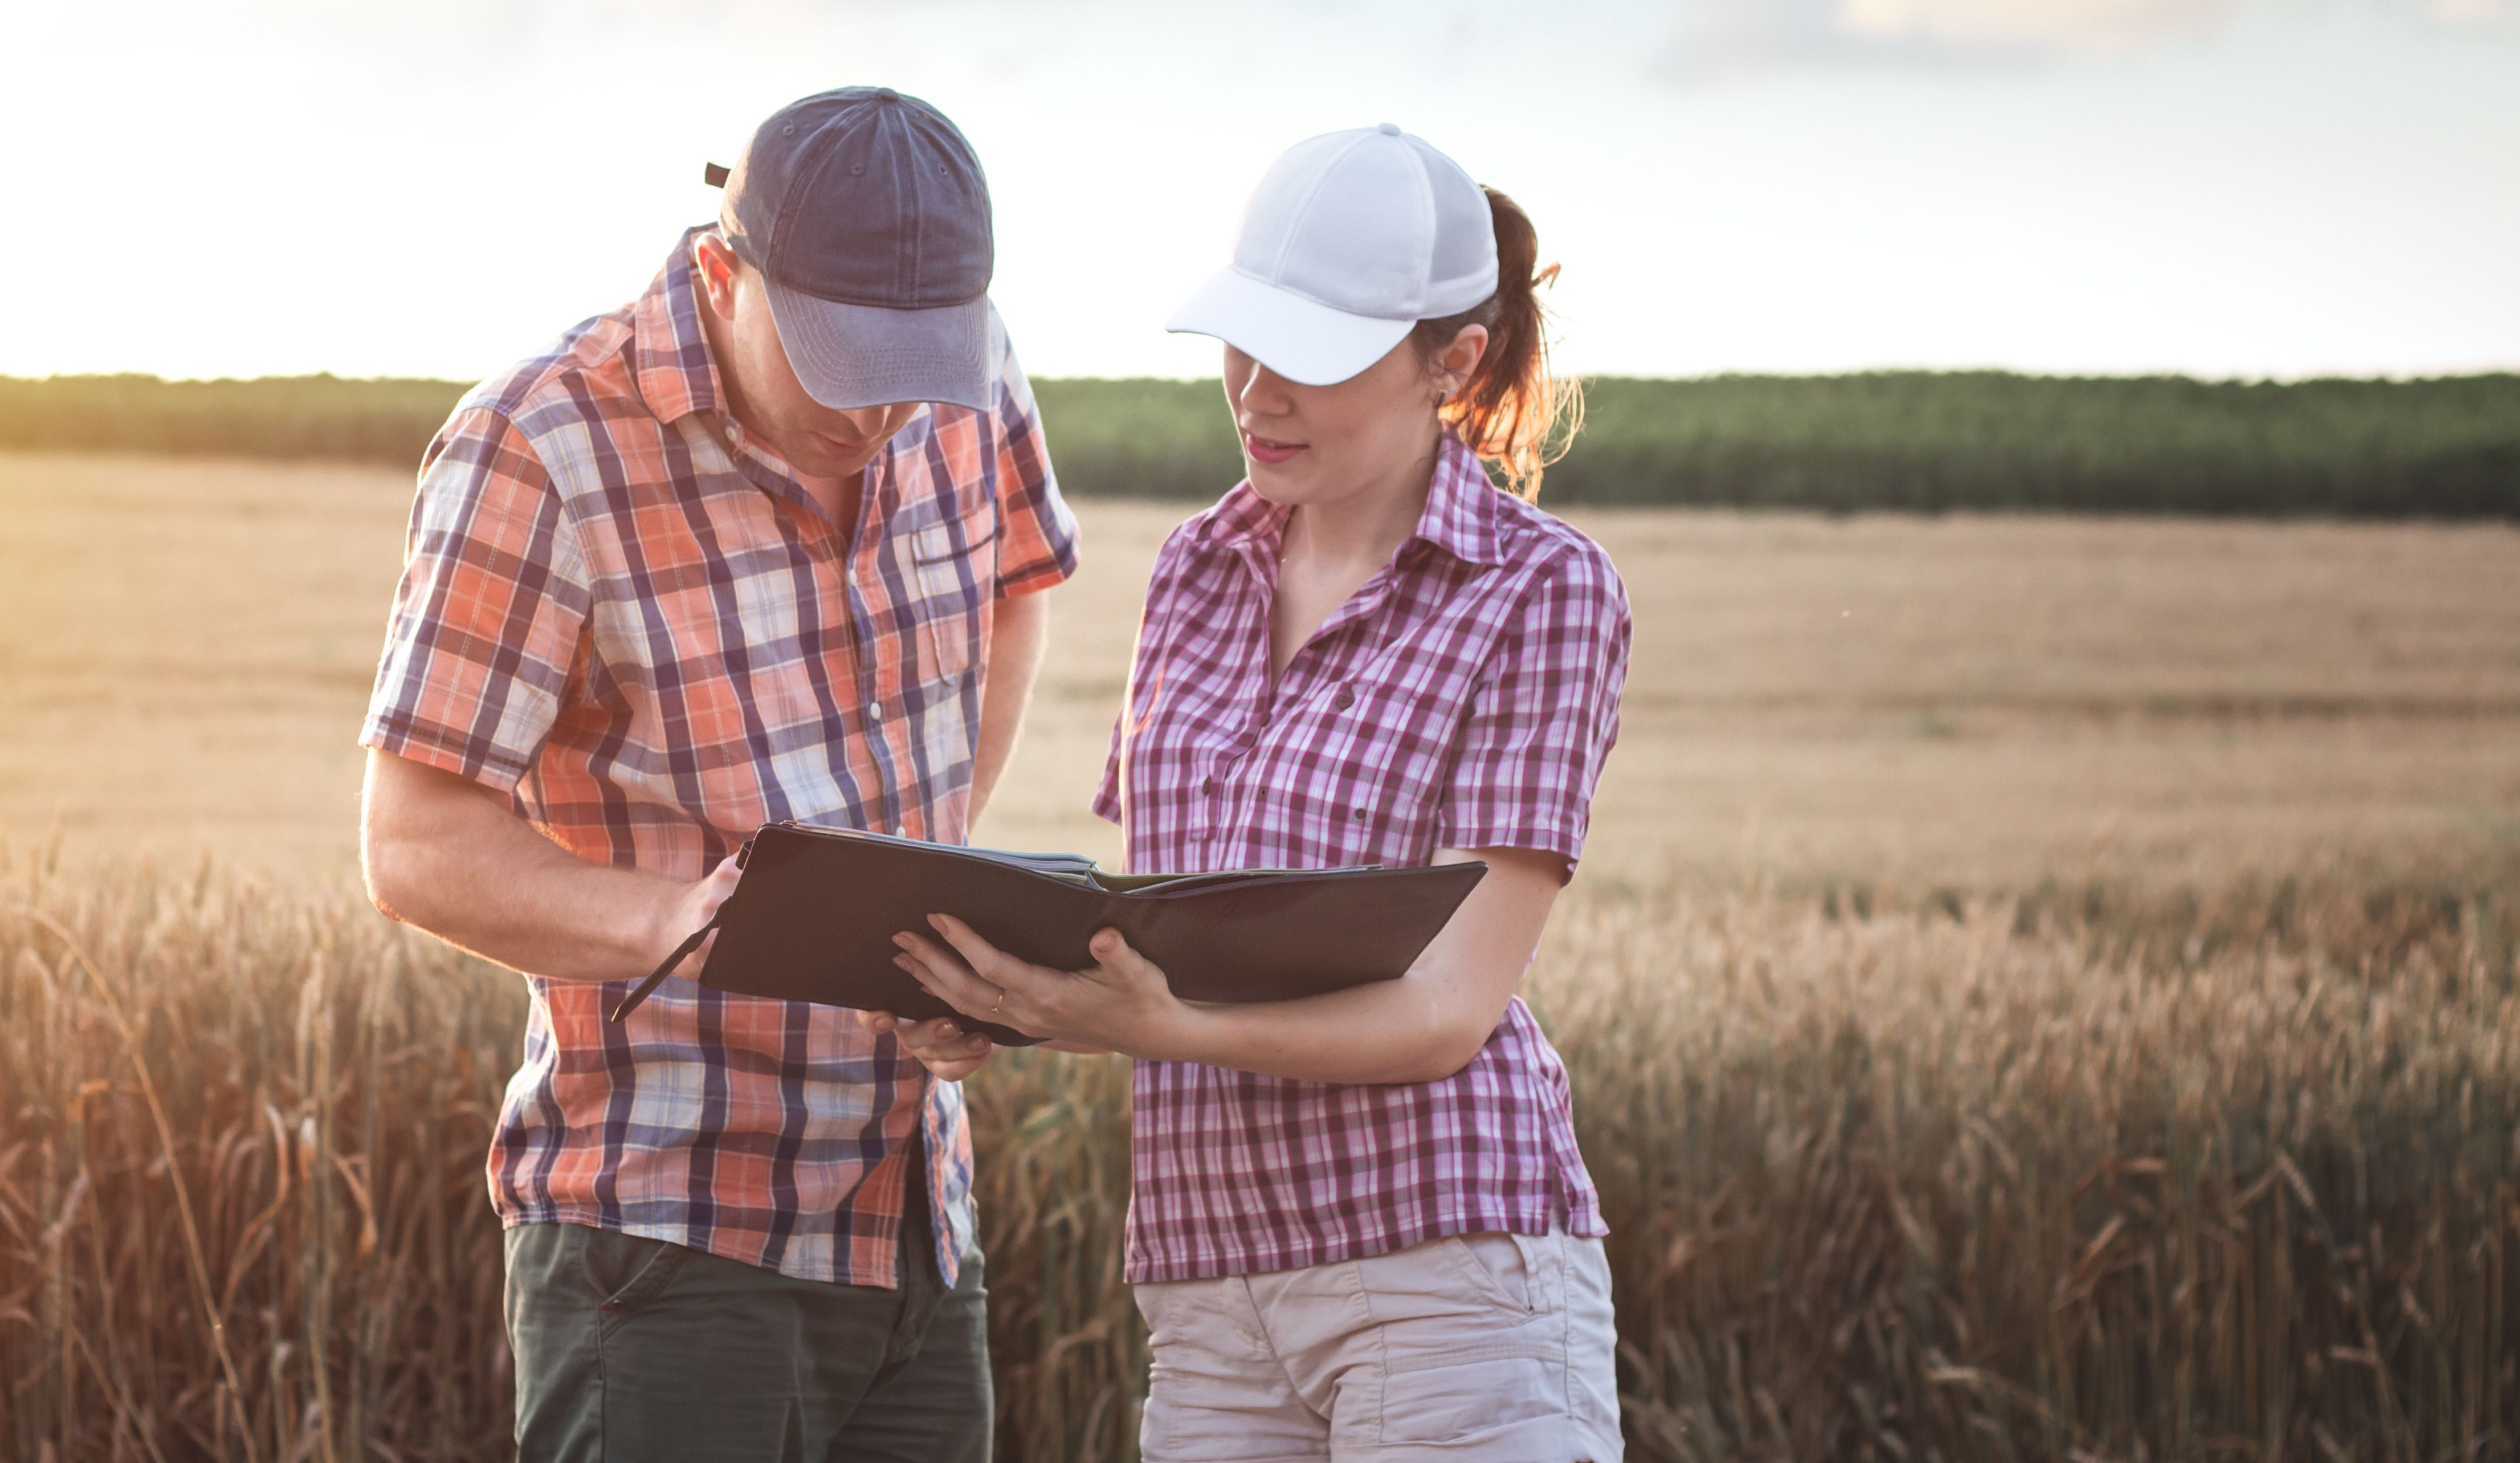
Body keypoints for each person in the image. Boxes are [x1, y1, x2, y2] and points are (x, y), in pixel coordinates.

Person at [357, 87, 1080, 1462]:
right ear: (718, 273)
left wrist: (914, 910)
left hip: (918, 1225)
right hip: (666, 1242)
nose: (881, 414)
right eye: (840, 364)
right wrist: (682, 920)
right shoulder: (541, 445)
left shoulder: (967, 378)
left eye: (913, 372)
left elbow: (1019, 586)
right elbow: (414, 841)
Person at [889, 124, 1631, 1461]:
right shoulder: (1195, 569)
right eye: (1244, 338)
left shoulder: (1542, 588)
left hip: (1443, 1263)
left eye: (1317, 357)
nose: (1257, 390)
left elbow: (1449, 1010)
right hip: (1207, 1290)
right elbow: (1176, 930)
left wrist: (1157, 1027)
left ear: (1451, 360)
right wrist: (1015, 997)